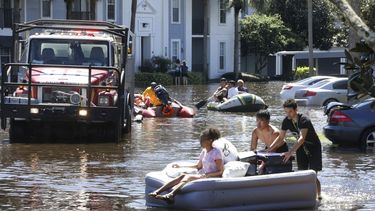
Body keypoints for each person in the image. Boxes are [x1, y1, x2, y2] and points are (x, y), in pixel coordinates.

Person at [148, 128, 224, 203]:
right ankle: (157, 192)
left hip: (213, 177)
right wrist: (180, 167)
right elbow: (198, 166)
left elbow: (220, 171)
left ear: (210, 140)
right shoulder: (204, 151)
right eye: (200, 139)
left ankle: (171, 195)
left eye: (202, 140)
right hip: (204, 176)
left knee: (189, 177)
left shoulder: (216, 152)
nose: (200, 142)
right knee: (182, 175)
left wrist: (207, 175)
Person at [268, 99, 322, 199]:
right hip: (300, 148)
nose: (288, 114)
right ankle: (306, 195)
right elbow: (280, 137)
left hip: (313, 147)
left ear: (296, 109)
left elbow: (301, 138)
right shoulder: (286, 120)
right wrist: (270, 149)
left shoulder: (304, 119)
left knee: (312, 174)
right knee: (302, 173)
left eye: (290, 112)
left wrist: (289, 152)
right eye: (286, 112)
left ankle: (319, 196)